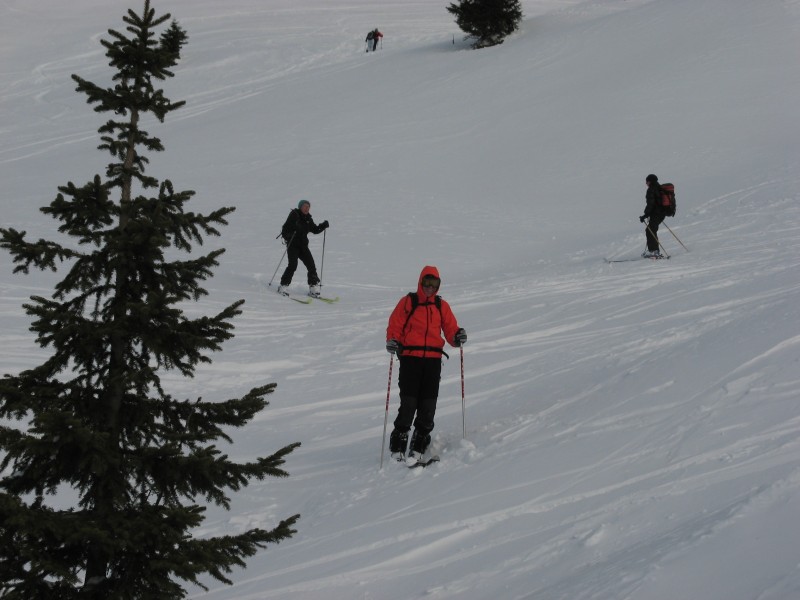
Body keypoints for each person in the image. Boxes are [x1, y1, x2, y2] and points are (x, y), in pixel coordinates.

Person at [385, 266, 467, 464]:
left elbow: (450, 329)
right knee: (409, 402)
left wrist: (457, 336)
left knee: (428, 404)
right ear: (420, 283)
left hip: (432, 360)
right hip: (410, 358)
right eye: (427, 283)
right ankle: (399, 439)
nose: (430, 287)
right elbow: (395, 325)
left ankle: (420, 439)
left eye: (435, 284)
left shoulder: (441, 306)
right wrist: (393, 340)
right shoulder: (408, 302)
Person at [278, 200, 329, 297]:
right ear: (300, 207)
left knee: (311, 266)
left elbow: (314, 229)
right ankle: (283, 286)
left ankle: (313, 287)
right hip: (293, 245)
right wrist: (289, 235)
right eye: (305, 206)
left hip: (303, 246)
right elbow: (285, 229)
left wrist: (323, 226)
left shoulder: (308, 218)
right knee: (293, 265)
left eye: (308, 207)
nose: (307, 208)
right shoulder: (294, 215)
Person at [640, 174, 664, 258]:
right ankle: (653, 251)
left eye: (646, 181)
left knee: (650, 230)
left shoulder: (651, 189)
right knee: (651, 230)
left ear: (649, 181)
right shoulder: (659, 187)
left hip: (656, 213)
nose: (646, 183)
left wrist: (645, 215)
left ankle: (653, 251)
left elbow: (651, 203)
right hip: (661, 213)